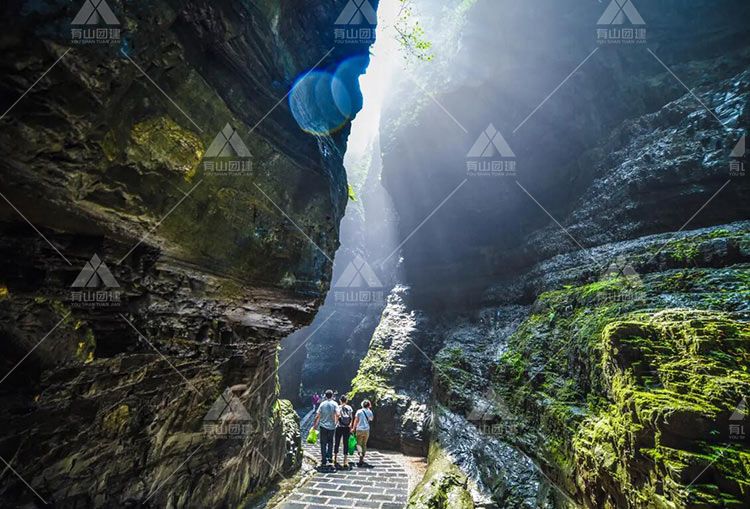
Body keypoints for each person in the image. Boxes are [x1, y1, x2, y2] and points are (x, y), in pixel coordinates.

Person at [312, 389, 337, 467]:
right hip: (332, 427)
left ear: (325, 396)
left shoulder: (322, 404)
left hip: (323, 426)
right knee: (330, 442)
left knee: (323, 443)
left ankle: (323, 459)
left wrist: (315, 425)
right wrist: (335, 422)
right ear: (332, 395)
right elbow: (338, 414)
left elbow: (317, 415)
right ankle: (329, 457)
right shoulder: (335, 404)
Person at [351, 399, 374, 467]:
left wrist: (353, 428)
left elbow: (356, 420)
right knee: (364, 444)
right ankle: (362, 457)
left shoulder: (359, 411)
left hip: (359, 429)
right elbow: (371, 419)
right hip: (366, 430)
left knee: (359, 444)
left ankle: (360, 454)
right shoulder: (370, 412)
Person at [333, 395, 353, 468]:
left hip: (339, 427)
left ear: (340, 401)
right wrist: (350, 426)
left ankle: (335, 458)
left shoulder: (338, 407)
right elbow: (351, 418)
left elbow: (336, 417)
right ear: (346, 401)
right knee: (346, 443)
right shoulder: (349, 408)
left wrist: (335, 424)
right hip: (347, 428)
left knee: (337, 442)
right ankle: (345, 461)